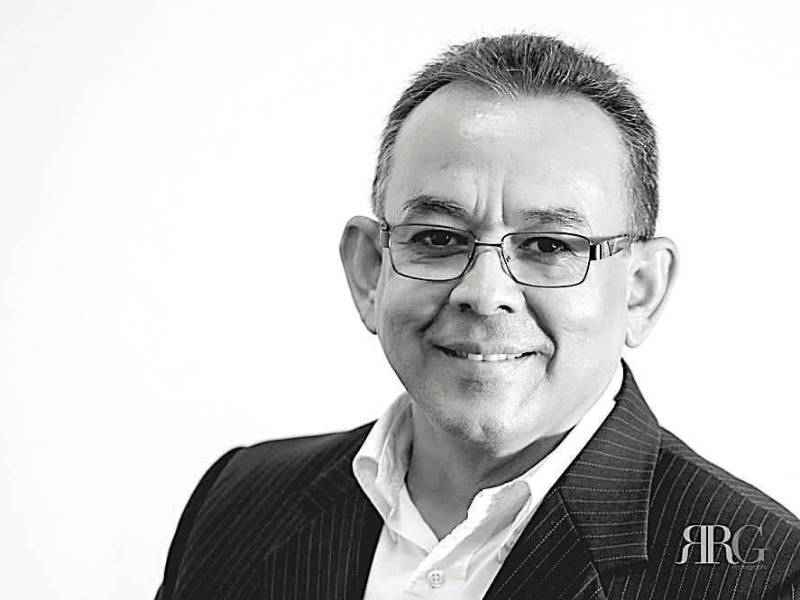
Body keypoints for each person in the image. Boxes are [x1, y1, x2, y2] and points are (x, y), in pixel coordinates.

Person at [156, 34, 800, 599]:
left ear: (640, 290)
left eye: (549, 246)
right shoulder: (237, 500)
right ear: (370, 270)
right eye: (438, 238)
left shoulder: (767, 577)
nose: (485, 292)